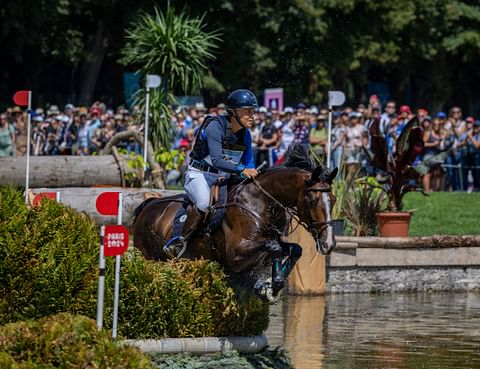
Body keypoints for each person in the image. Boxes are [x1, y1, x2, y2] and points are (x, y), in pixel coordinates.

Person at [164, 89, 259, 257]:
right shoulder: (215, 126)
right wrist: (242, 170)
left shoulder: (245, 134)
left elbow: (249, 162)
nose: (252, 116)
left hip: (223, 177)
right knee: (202, 203)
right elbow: (217, 160)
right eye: (248, 111)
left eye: (253, 111)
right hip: (199, 174)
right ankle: (179, 241)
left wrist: (252, 174)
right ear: (234, 112)